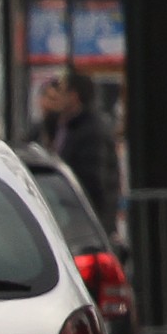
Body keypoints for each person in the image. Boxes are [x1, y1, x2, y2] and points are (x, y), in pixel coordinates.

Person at [53, 70, 121, 229]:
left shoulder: (91, 131)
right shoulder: (69, 127)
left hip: (86, 221)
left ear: (73, 96)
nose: (57, 97)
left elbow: (94, 183)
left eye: (62, 91)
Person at [25, 79, 63, 152]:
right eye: (49, 98)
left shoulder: (65, 132)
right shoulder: (35, 131)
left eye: (54, 100)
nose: (49, 103)